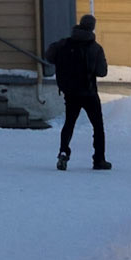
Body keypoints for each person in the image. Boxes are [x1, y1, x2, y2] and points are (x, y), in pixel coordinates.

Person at [46, 12, 111, 170]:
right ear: (92, 28)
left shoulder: (64, 44)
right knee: (97, 126)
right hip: (89, 92)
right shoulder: (95, 48)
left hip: (71, 92)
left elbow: (49, 56)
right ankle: (99, 159)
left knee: (69, 124)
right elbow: (102, 72)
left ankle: (63, 152)